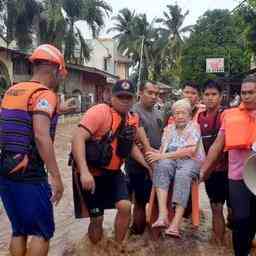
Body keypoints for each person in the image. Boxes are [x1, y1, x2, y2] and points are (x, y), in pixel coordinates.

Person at [0, 44, 66, 256]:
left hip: (6, 168)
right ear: (54, 70)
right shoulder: (44, 94)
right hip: (29, 172)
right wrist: (56, 176)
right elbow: (40, 135)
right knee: (41, 232)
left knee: (19, 230)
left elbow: (19, 120)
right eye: (60, 74)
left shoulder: (13, 91)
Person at [71, 79, 151, 244]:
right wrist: (84, 172)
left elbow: (131, 147)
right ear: (112, 97)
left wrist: (147, 165)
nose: (124, 100)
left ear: (133, 99)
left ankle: (117, 247)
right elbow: (78, 137)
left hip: (113, 173)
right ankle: (94, 250)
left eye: (128, 97)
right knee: (97, 219)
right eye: (120, 96)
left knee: (125, 206)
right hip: (91, 174)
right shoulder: (99, 112)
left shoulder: (132, 118)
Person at [200, 75, 256, 256]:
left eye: (251, 92)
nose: (246, 96)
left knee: (253, 220)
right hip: (237, 177)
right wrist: (202, 172)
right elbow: (217, 146)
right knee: (240, 220)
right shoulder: (230, 116)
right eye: (243, 93)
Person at [146, 99, 205, 238]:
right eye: (177, 113)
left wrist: (161, 156)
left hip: (191, 161)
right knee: (162, 166)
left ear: (189, 115)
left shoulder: (194, 127)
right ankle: (162, 215)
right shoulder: (169, 129)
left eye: (183, 113)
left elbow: (189, 152)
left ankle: (175, 224)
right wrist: (155, 154)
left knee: (183, 175)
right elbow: (163, 150)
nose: (180, 116)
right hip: (171, 159)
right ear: (173, 115)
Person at [125, 81, 163, 235]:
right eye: (150, 92)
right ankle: (138, 234)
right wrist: (151, 165)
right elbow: (136, 143)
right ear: (140, 93)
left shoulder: (158, 113)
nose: (153, 96)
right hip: (138, 165)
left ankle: (149, 242)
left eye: (156, 94)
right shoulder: (133, 113)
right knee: (140, 202)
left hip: (157, 163)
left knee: (157, 203)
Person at [197, 80, 228, 244]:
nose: (210, 98)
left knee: (234, 212)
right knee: (216, 209)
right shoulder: (198, 118)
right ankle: (218, 244)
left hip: (229, 171)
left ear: (221, 96)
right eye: (207, 95)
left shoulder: (226, 115)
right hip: (211, 173)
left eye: (214, 94)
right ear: (202, 96)